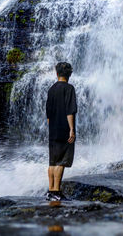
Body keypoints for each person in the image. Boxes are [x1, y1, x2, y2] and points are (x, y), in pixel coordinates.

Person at [45, 62, 77, 201]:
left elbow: (48, 114)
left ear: (57, 73)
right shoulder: (69, 88)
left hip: (53, 129)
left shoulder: (51, 89)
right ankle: (57, 191)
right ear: (69, 74)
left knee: (52, 161)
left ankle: (51, 190)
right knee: (61, 161)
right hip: (64, 128)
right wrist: (72, 129)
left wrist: (52, 127)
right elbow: (70, 111)